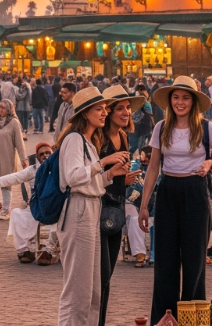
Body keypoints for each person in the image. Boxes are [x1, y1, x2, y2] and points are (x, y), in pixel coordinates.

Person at [137, 75, 212, 324]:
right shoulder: (161, 127)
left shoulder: (207, 128)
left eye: (185, 98)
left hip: (195, 190)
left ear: (194, 101)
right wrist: (145, 205)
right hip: (168, 190)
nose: (180, 102)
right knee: (165, 261)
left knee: (194, 261)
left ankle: (192, 319)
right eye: (176, 98)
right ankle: (165, 318)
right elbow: (153, 168)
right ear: (170, 101)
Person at [56, 86, 128, 325]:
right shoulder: (74, 139)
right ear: (85, 113)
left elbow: (91, 181)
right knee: (78, 290)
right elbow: (74, 177)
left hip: (91, 207)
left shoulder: (88, 141)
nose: (104, 113)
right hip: (78, 211)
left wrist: (110, 175)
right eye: (99, 109)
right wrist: (104, 162)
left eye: (105, 108)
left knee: (93, 290)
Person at [97, 85, 144, 325]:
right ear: (107, 112)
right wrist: (116, 177)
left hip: (116, 209)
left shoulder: (124, 136)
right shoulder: (98, 138)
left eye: (127, 108)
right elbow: (91, 176)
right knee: (99, 274)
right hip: (97, 210)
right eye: (120, 108)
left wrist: (123, 180)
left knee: (108, 276)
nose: (126, 113)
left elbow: (116, 175)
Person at [0, 142, 60, 265]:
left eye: (48, 153)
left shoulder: (59, 167)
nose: (45, 156)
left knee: (61, 216)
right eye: (42, 154)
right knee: (16, 213)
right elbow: (16, 177)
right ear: (37, 157)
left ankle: (49, 251)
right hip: (37, 209)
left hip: (55, 209)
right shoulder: (34, 170)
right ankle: (25, 251)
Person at [129, 84, 154, 155]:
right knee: (141, 146)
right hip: (144, 126)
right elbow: (150, 113)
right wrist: (153, 125)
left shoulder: (134, 101)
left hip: (135, 125)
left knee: (134, 145)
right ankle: (141, 158)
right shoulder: (145, 101)